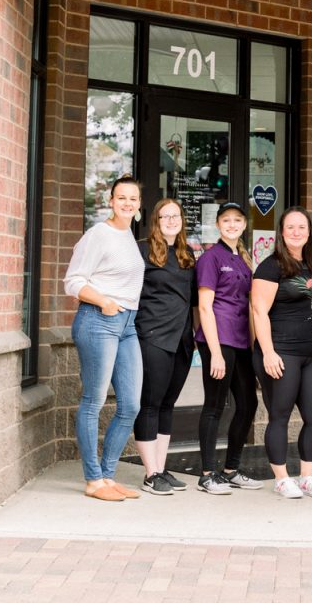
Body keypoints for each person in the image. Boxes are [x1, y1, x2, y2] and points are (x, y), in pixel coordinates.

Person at [63, 175, 145, 501]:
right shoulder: (98, 234)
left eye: (133, 199)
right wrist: (104, 302)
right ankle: (93, 480)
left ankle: (108, 476)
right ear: (110, 201)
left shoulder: (128, 236)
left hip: (128, 325)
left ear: (139, 205)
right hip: (99, 321)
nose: (127, 203)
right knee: (94, 402)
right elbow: (73, 281)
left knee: (130, 405)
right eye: (121, 197)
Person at [251, 206, 312, 499]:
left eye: (302, 227)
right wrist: (268, 352)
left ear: (309, 232)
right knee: (280, 416)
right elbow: (258, 310)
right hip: (280, 352)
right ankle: (282, 477)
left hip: (310, 355)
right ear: (281, 233)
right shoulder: (271, 266)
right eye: (290, 227)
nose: (296, 232)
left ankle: (307, 477)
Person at [195, 202, 261, 495]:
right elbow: (205, 308)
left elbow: (249, 305)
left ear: (244, 225)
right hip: (217, 340)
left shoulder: (244, 259)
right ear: (218, 225)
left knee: (248, 404)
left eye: (237, 220)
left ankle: (231, 469)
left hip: (241, 341)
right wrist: (216, 353)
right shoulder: (210, 258)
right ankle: (207, 474)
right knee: (214, 405)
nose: (232, 225)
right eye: (226, 220)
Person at [133, 199, 197, 496]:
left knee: (168, 404)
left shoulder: (187, 253)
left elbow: (195, 300)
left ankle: (161, 467)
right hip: (153, 336)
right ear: (155, 221)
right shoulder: (142, 249)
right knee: (151, 403)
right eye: (164, 216)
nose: (171, 220)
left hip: (182, 339)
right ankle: (149, 474)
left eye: (176, 215)